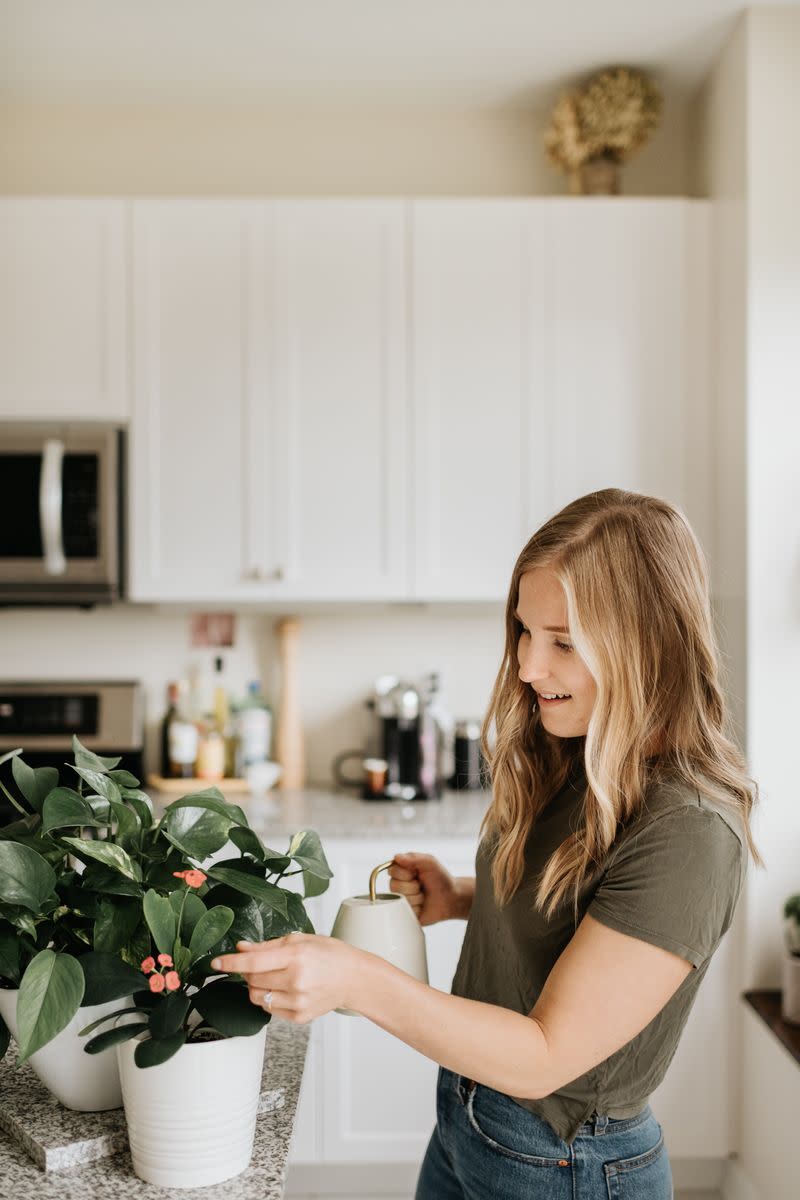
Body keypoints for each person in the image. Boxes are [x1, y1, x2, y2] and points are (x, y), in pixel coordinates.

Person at [211, 488, 762, 1200]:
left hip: (564, 1161)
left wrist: (355, 979)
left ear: (648, 644)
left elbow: (544, 1057)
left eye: (563, 642)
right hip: (471, 1117)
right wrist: (463, 899)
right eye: (525, 632)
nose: (529, 667)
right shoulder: (579, 753)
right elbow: (587, 916)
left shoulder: (687, 827)